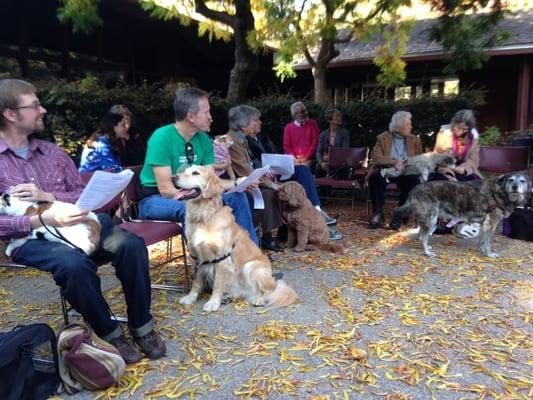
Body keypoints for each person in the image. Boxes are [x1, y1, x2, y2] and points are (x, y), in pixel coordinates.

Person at [0, 78, 165, 364]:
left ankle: (142, 326)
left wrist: (48, 195)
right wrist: (42, 217)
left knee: (131, 245)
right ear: (10, 114)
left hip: (83, 225)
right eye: (35, 105)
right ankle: (111, 333)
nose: (43, 110)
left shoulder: (52, 153)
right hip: (32, 238)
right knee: (74, 265)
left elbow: (81, 193)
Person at [137, 87, 259, 245]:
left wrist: (238, 183)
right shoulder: (162, 138)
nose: (211, 118)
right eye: (207, 112)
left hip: (192, 194)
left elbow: (211, 182)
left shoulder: (203, 140)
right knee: (193, 209)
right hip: (154, 199)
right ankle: (206, 266)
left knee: (238, 197)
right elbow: (167, 191)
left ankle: (249, 261)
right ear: (191, 117)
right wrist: (204, 201)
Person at [245, 109, 343, 241]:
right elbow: (255, 164)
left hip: (277, 170)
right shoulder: (245, 142)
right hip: (264, 176)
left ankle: (317, 210)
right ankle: (319, 218)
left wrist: (289, 161)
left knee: (302, 171)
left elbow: (276, 154)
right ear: (246, 123)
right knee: (300, 173)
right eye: (257, 120)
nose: (260, 123)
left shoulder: (262, 137)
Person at [227, 105, 283, 252]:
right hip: (237, 185)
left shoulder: (242, 139)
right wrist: (270, 183)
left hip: (245, 181)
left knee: (274, 191)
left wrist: (264, 174)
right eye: (256, 120)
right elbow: (243, 170)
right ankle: (266, 236)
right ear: (243, 124)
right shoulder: (232, 142)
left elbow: (250, 166)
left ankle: (269, 234)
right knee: (268, 192)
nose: (260, 123)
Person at [367, 111, 423, 229]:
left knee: (413, 180)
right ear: (398, 127)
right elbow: (376, 157)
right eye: (408, 124)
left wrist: (409, 165)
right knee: (375, 177)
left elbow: (420, 159)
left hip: (405, 172)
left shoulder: (414, 140)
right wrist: (393, 161)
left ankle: (400, 216)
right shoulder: (383, 138)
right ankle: (378, 214)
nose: (411, 127)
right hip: (386, 169)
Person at [432, 109, 481, 181]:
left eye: (464, 129)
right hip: (445, 168)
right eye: (458, 128)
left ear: (469, 129)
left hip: (464, 170)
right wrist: (449, 171)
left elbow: (474, 159)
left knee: (465, 182)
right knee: (443, 182)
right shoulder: (444, 134)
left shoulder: (473, 138)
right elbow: (436, 156)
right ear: (453, 124)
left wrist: (463, 169)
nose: (460, 131)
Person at [283, 101, 319, 170]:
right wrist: (294, 158)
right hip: (293, 158)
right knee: (286, 168)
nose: (302, 114)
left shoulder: (313, 124)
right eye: (299, 112)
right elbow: (287, 146)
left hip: (309, 159)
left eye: (303, 111)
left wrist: (305, 157)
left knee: (303, 167)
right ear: (294, 115)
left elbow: (315, 143)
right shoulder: (288, 128)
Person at [315, 108, 351, 177]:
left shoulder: (344, 133)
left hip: (339, 162)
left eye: (340, 116)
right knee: (318, 168)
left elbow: (345, 151)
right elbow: (318, 152)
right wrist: (321, 163)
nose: (339, 118)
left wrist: (331, 158)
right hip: (326, 162)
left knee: (342, 169)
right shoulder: (323, 134)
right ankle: (322, 187)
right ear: (330, 120)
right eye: (337, 116)